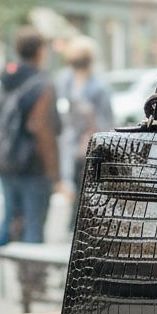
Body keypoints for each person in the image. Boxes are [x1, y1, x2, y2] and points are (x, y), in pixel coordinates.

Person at [0, 27, 62, 247]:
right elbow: (44, 131)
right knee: (33, 226)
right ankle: (32, 280)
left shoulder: (8, 78)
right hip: (33, 165)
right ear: (40, 51)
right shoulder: (42, 84)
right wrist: (54, 173)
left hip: (7, 161)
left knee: (10, 221)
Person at [54, 36, 114, 208]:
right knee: (78, 192)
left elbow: (105, 122)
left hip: (85, 145)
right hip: (75, 144)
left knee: (85, 193)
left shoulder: (97, 86)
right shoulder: (65, 80)